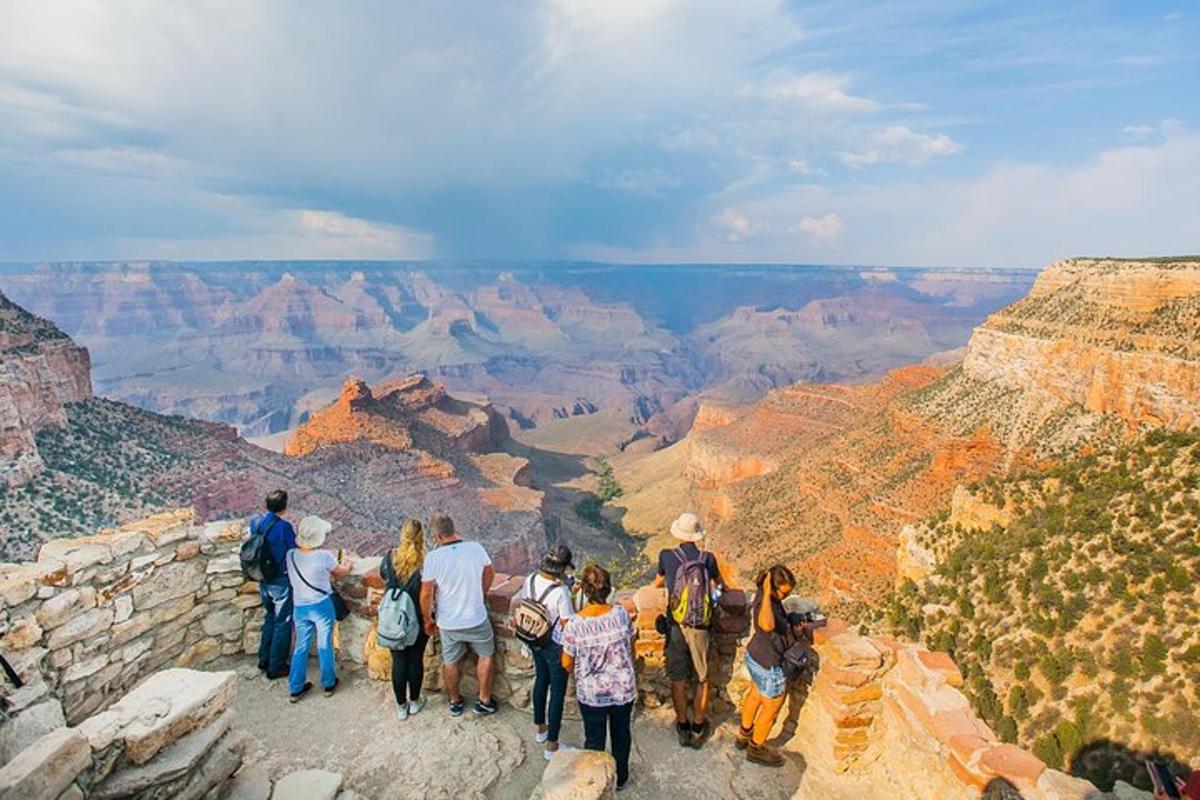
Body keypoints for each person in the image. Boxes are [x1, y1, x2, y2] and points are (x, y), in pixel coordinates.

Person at [653, 512, 736, 748]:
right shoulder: (707, 558)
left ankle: (682, 725)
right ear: (697, 535)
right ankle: (699, 725)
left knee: (678, 678)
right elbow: (720, 585)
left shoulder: (666, 556)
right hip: (701, 626)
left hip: (677, 626)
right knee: (702, 678)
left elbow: (658, 583)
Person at [561, 564, 637, 792]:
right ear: (609, 589)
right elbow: (631, 645)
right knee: (621, 734)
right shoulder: (621, 613)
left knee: (594, 739)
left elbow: (566, 662)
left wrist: (580, 675)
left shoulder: (575, 624)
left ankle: (598, 783)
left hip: (593, 693)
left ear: (584, 590)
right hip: (623, 689)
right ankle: (621, 778)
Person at [420, 514, 498, 717]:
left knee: (450, 660)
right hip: (476, 617)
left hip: (448, 622)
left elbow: (426, 594)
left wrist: (428, 620)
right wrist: (481, 594)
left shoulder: (433, 558)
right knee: (486, 654)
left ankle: (455, 701)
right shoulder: (475, 548)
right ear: (454, 530)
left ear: (436, 536)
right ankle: (484, 700)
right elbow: (490, 573)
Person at [515, 544, 577, 759]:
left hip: (533, 639)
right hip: (554, 646)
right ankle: (552, 746)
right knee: (557, 692)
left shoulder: (530, 579)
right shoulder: (560, 592)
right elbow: (568, 622)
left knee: (541, 680)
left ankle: (540, 729)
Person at [736, 564, 797, 767]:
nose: (785, 597)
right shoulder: (766, 602)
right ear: (773, 587)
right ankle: (757, 748)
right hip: (769, 664)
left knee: (754, 695)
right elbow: (767, 625)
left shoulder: (767, 598)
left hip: (755, 656)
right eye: (784, 592)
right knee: (771, 710)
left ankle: (743, 735)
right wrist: (769, 593)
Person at [285, 515, 350, 702]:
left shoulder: (290, 555)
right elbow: (341, 572)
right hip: (321, 605)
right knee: (325, 644)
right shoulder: (323, 556)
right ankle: (329, 683)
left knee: (301, 646)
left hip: (299, 606)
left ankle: (295, 688)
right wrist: (349, 563)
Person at [381, 519, 430, 720]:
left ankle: (401, 707)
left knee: (398, 662)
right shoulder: (426, 562)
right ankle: (415, 702)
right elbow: (429, 592)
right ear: (422, 537)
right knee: (415, 660)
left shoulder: (389, 557)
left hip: (393, 618)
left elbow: (383, 576)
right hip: (417, 620)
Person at [253, 490, 297, 679]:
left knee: (270, 617)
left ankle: (264, 658)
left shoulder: (256, 523)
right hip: (280, 580)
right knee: (282, 623)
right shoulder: (284, 527)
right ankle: (277, 667)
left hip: (263, 579)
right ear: (285, 507)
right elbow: (292, 551)